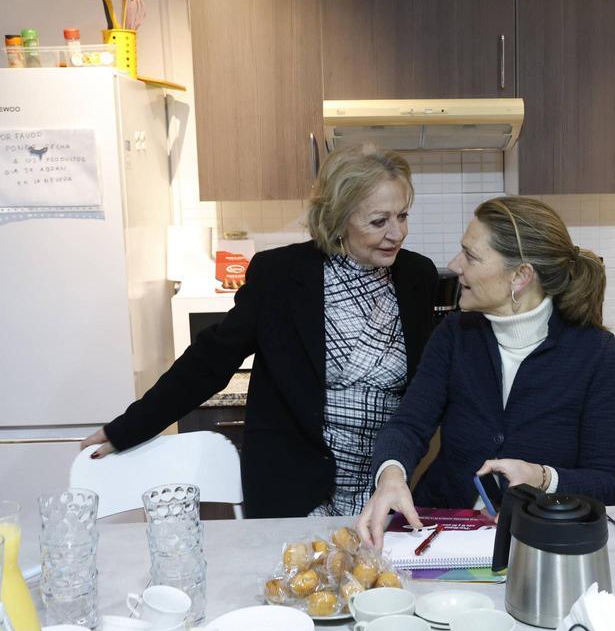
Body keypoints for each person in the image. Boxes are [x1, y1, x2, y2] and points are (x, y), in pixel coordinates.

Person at [80, 144, 438, 518]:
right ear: (337, 218)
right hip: (298, 489)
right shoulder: (280, 276)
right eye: (379, 221)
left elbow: (429, 384)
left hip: (383, 486)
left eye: (403, 216)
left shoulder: (416, 277)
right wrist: (128, 429)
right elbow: (210, 361)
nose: (397, 233)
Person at [355, 196, 615, 548]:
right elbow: (409, 425)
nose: (455, 266)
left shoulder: (597, 354)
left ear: (521, 276)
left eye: (471, 256)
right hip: (438, 532)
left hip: (539, 544)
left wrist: (541, 477)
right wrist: (391, 474)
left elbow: (607, 481)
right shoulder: (454, 335)